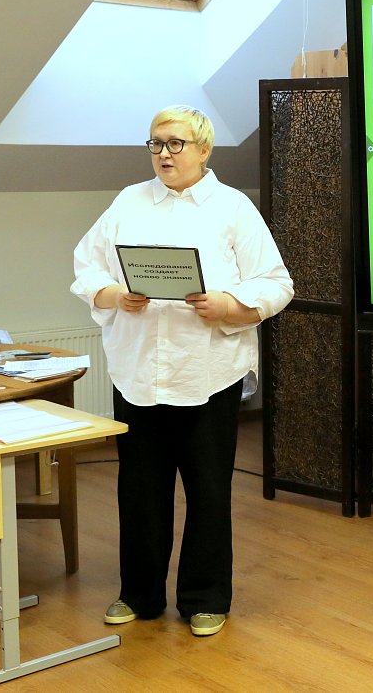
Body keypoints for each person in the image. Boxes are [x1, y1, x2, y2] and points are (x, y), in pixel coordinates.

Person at [71, 105, 294, 637]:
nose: (164, 154)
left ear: (204, 149)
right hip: (138, 373)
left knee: (208, 490)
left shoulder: (233, 208)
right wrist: (114, 294)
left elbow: (276, 282)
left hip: (207, 372)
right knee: (140, 490)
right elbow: (87, 265)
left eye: (176, 144)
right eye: (156, 144)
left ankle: (205, 598)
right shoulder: (128, 201)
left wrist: (230, 306)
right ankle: (139, 594)